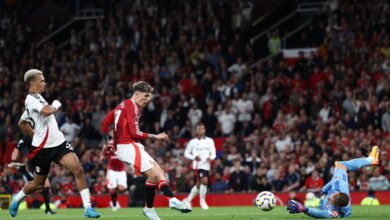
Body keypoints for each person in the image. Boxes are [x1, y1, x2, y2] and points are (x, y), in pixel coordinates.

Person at [9, 69, 100, 218]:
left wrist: (34, 135)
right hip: (42, 149)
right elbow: (46, 111)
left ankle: (88, 208)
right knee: (38, 184)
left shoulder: (37, 98)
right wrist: (56, 105)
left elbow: (22, 122)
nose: (45, 83)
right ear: (32, 82)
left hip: (59, 143)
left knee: (78, 170)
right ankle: (17, 199)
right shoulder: (30, 99)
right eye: (42, 80)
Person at [101, 81, 191, 220]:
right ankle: (168, 200)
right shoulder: (131, 107)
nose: (148, 99)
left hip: (131, 145)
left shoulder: (122, 105)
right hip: (127, 147)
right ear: (136, 94)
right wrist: (157, 136)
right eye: (146, 96)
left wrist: (107, 143)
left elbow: (105, 122)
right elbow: (135, 132)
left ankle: (157, 205)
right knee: (154, 174)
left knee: (158, 171)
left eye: (149, 96)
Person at [287, 145, 380, 218]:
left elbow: (321, 214)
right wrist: (324, 189)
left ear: (333, 199)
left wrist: (304, 209)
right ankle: (371, 160)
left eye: (333, 195)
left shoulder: (334, 210)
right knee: (341, 165)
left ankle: (371, 159)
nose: (332, 194)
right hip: (342, 201)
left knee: (340, 164)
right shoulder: (341, 187)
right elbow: (334, 183)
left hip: (332, 205)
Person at [9, 133, 56, 215]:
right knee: (45, 186)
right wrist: (13, 161)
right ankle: (17, 199)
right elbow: (17, 149)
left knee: (43, 186)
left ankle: (47, 209)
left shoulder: (44, 133)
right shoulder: (27, 137)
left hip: (43, 162)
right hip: (34, 163)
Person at [182, 122, 216, 209]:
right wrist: (194, 157)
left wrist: (210, 157)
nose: (201, 130)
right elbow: (186, 153)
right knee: (204, 181)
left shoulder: (210, 141)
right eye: (199, 129)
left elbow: (213, 153)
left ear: (204, 130)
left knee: (198, 184)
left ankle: (188, 200)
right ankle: (202, 201)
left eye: (202, 128)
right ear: (196, 131)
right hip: (198, 165)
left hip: (206, 165)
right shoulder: (192, 142)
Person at [99, 136, 127, 211]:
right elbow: (103, 155)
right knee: (113, 189)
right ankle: (114, 205)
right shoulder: (109, 145)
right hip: (112, 170)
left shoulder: (123, 143)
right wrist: (102, 157)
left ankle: (109, 187)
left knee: (122, 189)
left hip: (121, 169)